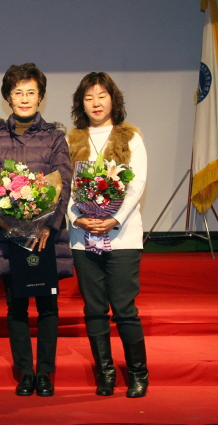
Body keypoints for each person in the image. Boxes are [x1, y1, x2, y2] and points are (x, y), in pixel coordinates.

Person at [0, 63, 72, 397]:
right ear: (8, 98)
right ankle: (26, 374)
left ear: (41, 97)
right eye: (17, 92)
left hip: (47, 236)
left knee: (48, 305)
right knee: (16, 305)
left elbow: (64, 181)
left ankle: (45, 372)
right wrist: (9, 223)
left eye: (31, 92)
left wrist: (47, 225)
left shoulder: (55, 137)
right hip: (9, 235)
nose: (24, 98)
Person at [67, 72, 148, 398]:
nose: (96, 102)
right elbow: (66, 188)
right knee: (94, 308)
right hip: (83, 239)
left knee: (124, 308)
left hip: (123, 236)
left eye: (101, 95)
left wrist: (113, 218)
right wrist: (77, 217)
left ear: (113, 99)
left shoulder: (130, 137)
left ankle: (139, 375)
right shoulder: (73, 139)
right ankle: (106, 375)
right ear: (81, 104)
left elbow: (137, 184)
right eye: (89, 97)